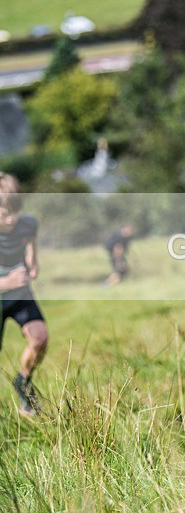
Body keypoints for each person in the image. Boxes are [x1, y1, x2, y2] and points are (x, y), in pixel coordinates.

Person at [0, 172, 50, 417]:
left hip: (20, 296)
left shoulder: (28, 223)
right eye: (4, 213)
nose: (12, 219)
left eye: (15, 211)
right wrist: (6, 282)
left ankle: (22, 382)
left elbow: (30, 241)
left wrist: (33, 261)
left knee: (40, 338)